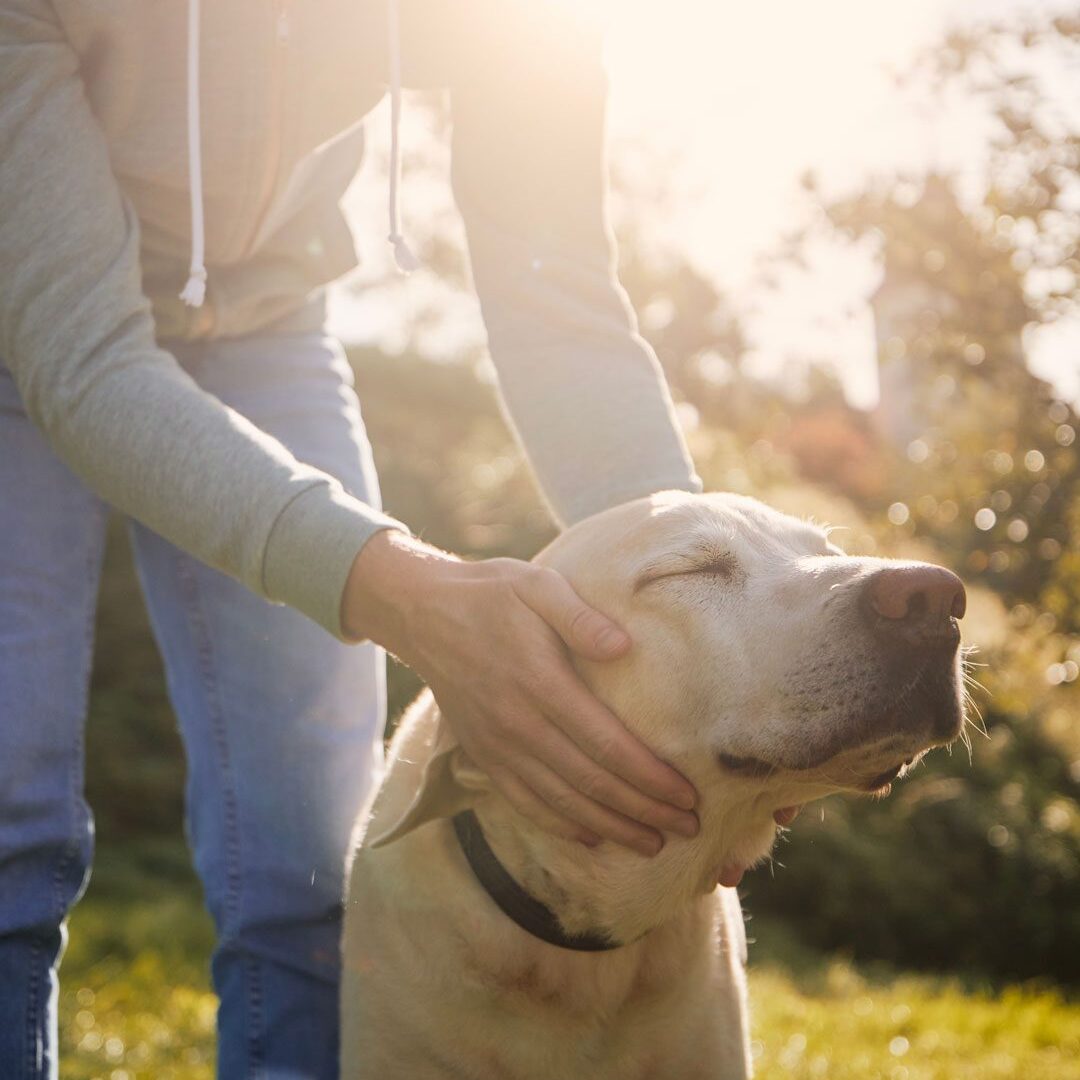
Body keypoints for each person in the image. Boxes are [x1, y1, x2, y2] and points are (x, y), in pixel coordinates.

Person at [0, 1, 712, 1076]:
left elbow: (555, 303)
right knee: (10, 826)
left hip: (264, 326)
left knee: (315, 865)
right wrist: (412, 596)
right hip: (27, 317)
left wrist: (707, 613)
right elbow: (84, 362)